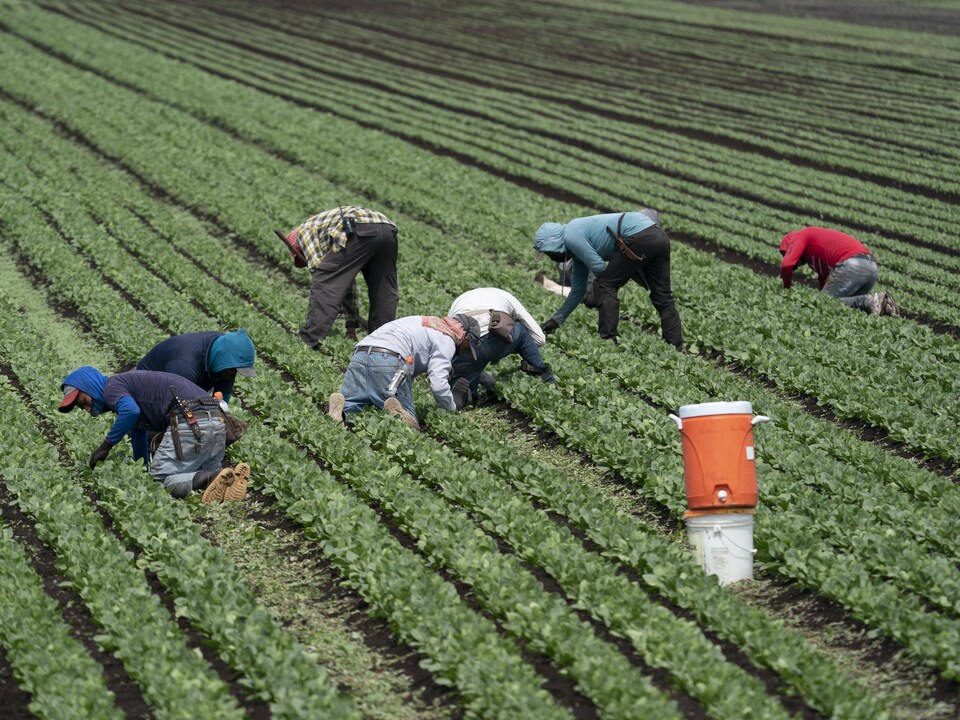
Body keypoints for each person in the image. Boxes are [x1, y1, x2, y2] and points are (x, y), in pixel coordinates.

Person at [58, 366, 248, 503]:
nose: (84, 408)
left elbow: (130, 412)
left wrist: (106, 446)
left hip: (191, 420)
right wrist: (142, 470)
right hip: (216, 420)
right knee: (200, 474)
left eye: (81, 401)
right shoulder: (128, 387)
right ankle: (226, 479)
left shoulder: (112, 387)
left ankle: (212, 478)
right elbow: (139, 433)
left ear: (88, 386)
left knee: (161, 480)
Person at [533, 208, 682, 348]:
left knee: (604, 285)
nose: (551, 256)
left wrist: (608, 288)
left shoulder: (570, 235)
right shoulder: (575, 246)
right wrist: (556, 320)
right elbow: (578, 291)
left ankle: (608, 339)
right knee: (662, 296)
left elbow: (598, 267)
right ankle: (675, 345)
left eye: (549, 252)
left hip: (637, 236)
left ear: (553, 242)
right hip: (658, 235)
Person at [327, 315, 481, 430]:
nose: (465, 350)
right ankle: (397, 412)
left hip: (360, 354)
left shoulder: (423, 322)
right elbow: (438, 383)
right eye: (468, 346)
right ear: (464, 335)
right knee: (410, 427)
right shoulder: (446, 339)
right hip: (389, 359)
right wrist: (451, 408)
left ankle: (341, 409)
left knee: (355, 408)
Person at [277, 206, 399, 348]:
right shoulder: (324, 231)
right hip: (387, 228)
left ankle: (309, 339)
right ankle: (381, 344)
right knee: (384, 289)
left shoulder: (303, 232)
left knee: (324, 282)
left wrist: (332, 292)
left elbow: (323, 277)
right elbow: (346, 282)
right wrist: (351, 327)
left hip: (359, 226)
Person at [447, 287, 556, 407]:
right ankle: (547, 380)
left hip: (469, 348)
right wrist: (510, 350)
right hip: (501, 339)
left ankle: (468, 398)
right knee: (522, 332)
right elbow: (539, 339)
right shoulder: (505, 296)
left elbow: (453, 339)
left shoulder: (458, 302)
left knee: (466, 369)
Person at [779, 227, 899, 316]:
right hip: (870, 267)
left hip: (852, 265)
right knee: (852, 308)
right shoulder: (814, 256)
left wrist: (787, 289)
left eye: (786, 253)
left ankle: (870, 300)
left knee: (824, 303)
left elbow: (786, 265)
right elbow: (825, 281)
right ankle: (884, 305)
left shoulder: (801, 236)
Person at [136, 329, 256, 403]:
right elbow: (182, 405)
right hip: (148, 387)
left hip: (185, 382)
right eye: (233, 369)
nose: (234, 373)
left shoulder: (224, 356)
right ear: (223, 359)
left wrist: (224, 418)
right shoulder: (185, 366)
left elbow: (222, 398)